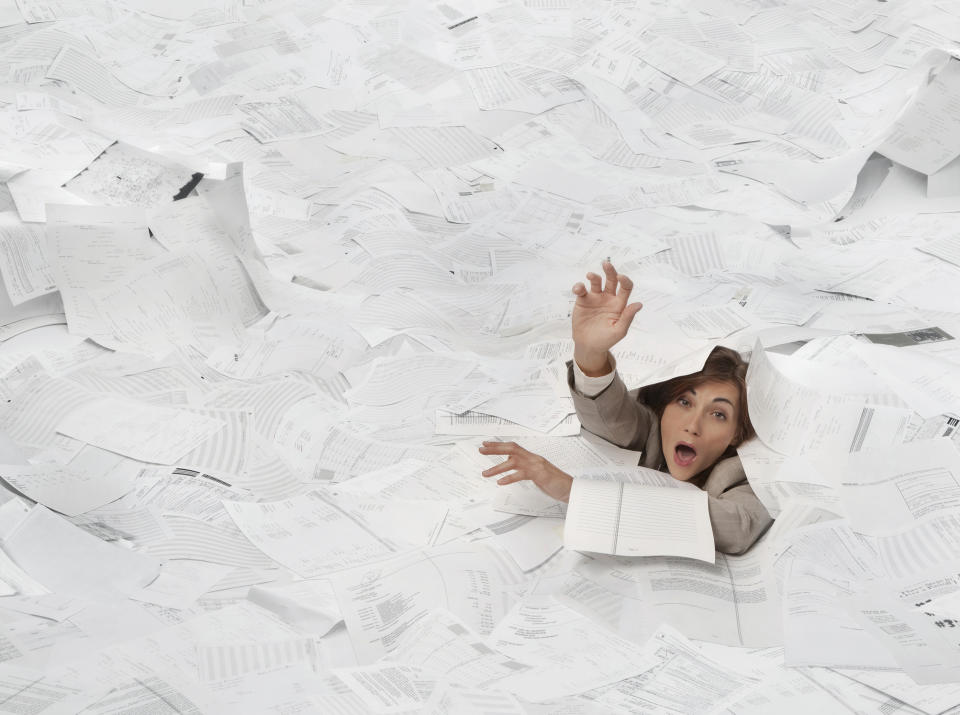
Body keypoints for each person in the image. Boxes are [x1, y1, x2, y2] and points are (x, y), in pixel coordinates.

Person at [479, 260, 773, 555]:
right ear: (665, 404)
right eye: (685, 402)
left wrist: (577, 492)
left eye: (718, 414)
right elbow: (611, 415)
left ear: (737, 432)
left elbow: (739, 527)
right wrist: (591, 351)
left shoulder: (745, 471)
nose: (692, 426)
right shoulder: (653, 430)